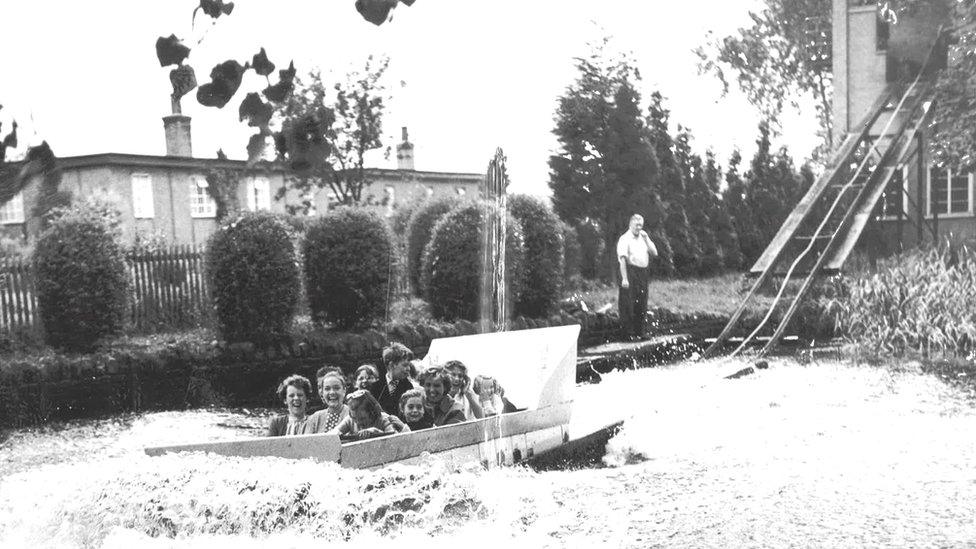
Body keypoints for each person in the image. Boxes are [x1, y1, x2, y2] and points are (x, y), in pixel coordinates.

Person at [617, 213, 658, 340]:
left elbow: (655, 253)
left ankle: (640, 332)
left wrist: (646, 239)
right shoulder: (624, 238)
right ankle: (627, 334)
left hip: (642, 272)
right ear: (630, 224)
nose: (638, 227)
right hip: (630, 271)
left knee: (642, 302)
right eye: (636, 225)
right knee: (628, 304)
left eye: (640, 225)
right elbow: (623, 260)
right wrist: (624, 278)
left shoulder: (643, 238)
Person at [369, 342, 417, 416]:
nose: (408, 369)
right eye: (405, 365)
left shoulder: (408, 387)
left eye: (409, 365)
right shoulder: (374, 388)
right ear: (391, 365)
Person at [330, 389, 398, 440]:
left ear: (372, 413)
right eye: (354, 418)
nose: (358, 422)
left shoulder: (384, 419)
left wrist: (376, 432)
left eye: (362, 418)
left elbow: (396, 439)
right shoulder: (350, 419)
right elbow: (332, 435)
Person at [304, 369, 349, 434]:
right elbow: (307, 442)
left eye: (336, 388)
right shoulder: (315, 418)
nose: (332, 392)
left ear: (344, 390)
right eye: (327, 389)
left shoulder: (353, 415)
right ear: (322, 392)